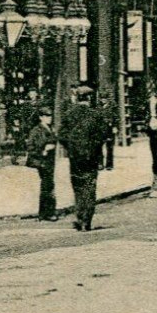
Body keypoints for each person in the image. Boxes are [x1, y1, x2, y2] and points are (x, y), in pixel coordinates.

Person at [64, 88, 114, 230]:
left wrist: (71, 148)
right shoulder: (96, 115)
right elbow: (103, 135)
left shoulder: (69, 114)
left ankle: (80, 217)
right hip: (91, 157)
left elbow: (61, 134)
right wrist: (94, 148)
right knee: (89, 187)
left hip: (75, 157)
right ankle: (87, 220)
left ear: (78, 98)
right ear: (89, 99)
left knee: (77, 186)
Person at [24, 109, 59, 220]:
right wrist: (43, 150)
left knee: (48, 185)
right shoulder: (36, 130)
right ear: (41, 117)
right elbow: (30, 147)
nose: (49, 118)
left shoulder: (50, 128)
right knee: (47, 186)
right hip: (42, 162)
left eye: (50, 116)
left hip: (50, 162)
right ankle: (48, 213)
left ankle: (45, 212)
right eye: (46, 116)